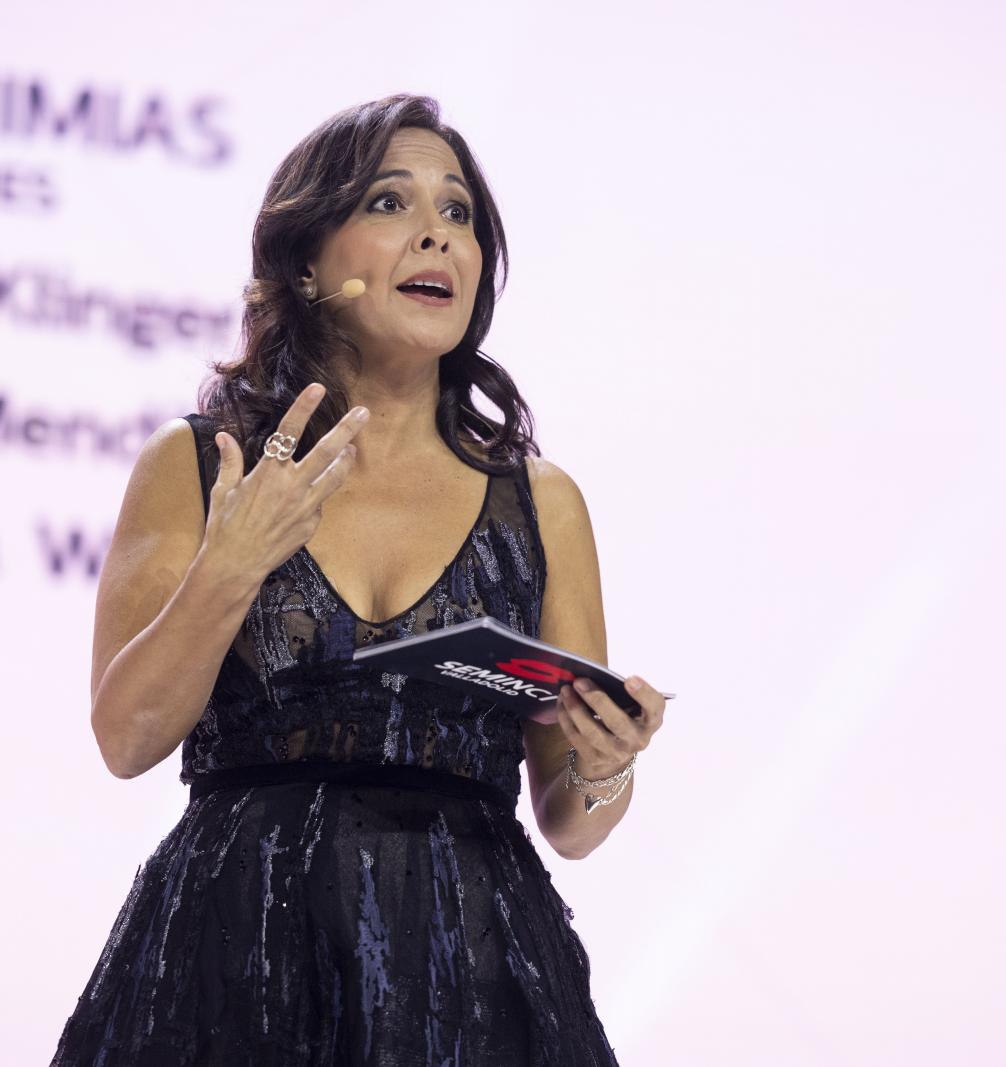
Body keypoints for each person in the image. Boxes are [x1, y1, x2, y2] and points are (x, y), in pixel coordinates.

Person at [51, 93, 667, 1065]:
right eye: (390, 203)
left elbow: (569, 820)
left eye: (458, 213)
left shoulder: (542, 502)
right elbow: (127, 737)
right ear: (305, 258)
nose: (436, 234)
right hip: (233, 957)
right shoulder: (198, 464)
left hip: (470, 975)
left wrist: (604, 764)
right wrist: (234, 560)